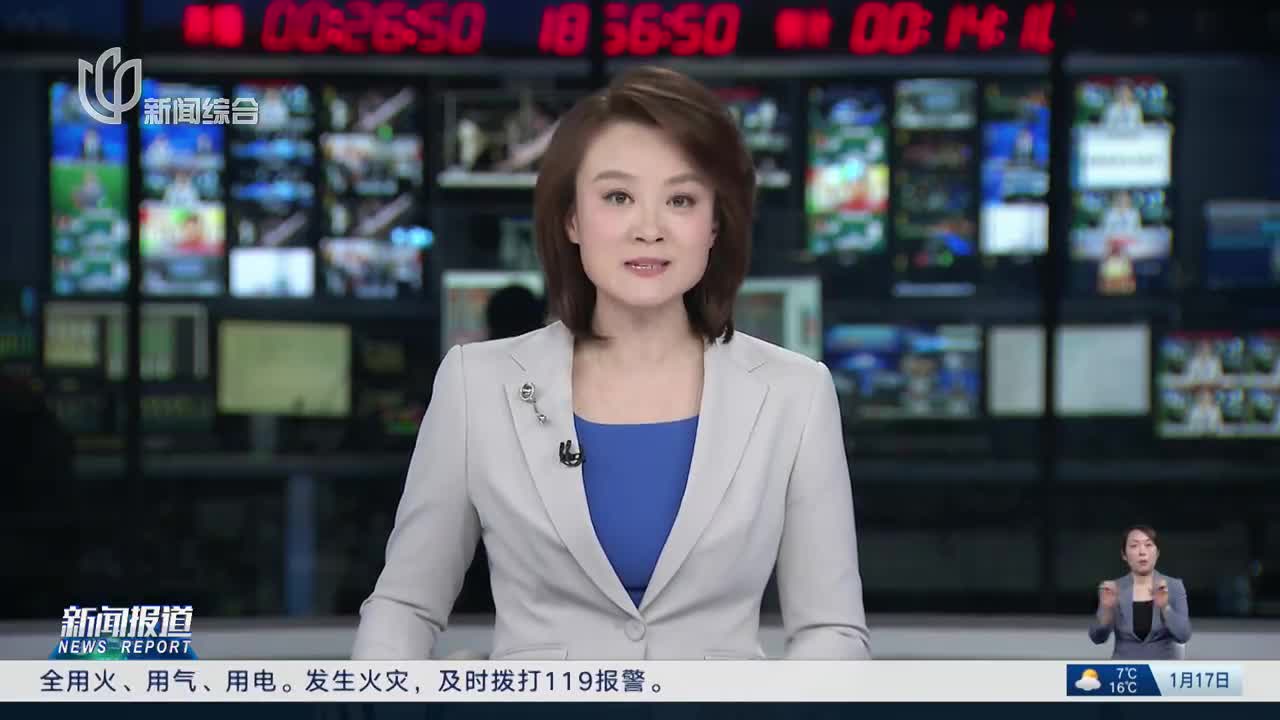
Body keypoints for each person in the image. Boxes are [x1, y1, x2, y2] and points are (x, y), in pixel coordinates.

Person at [352, 66, 870, 661]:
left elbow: (831, 630)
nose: (649, 229)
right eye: (618, 197)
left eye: (680, 200)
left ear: (715, 224)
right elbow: (405, 605)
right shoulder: (478, 385)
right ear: (572, 218)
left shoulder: (795, 394)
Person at [1089, 525, 1192, 659]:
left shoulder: (1173, 586)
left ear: (1157, 552)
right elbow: (1097, 638)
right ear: (1124, 555)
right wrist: (1106, 610)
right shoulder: (1114, 589)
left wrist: (1165, 608)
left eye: (1148, 545)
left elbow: (1183, 635)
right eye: (1134, 546)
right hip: (1125, 669)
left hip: (1162, 669)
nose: (1142, 552)